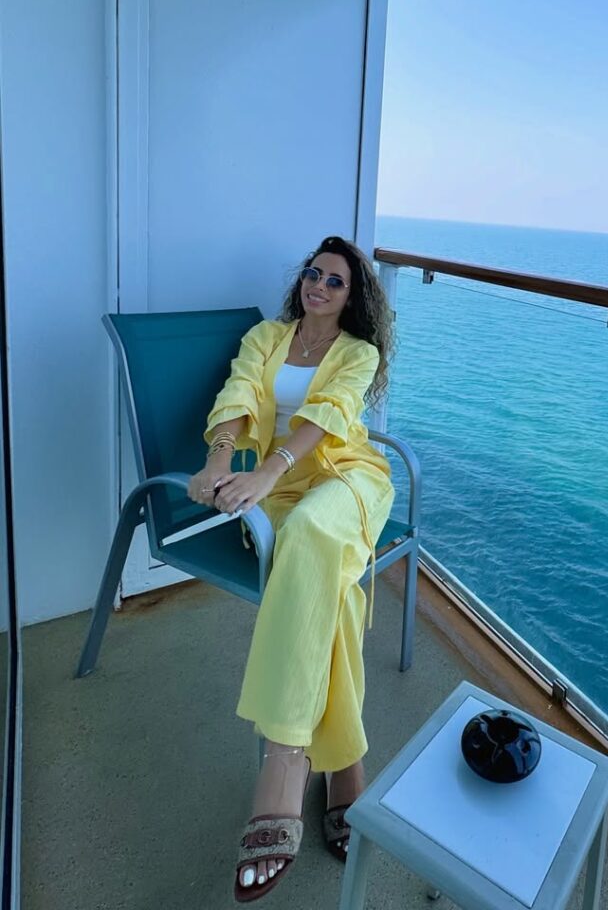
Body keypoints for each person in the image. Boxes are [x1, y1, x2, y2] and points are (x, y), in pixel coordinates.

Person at [186, 235, 395, 903]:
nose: (320, 286)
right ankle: (346, 762)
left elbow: (326, 415)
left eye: (335, 281)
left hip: (347, 480)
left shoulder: (358, 353)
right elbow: (240, 392)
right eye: (313, 274)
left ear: (352, 297)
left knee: (311, 535)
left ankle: (283, 766)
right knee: (326, 587)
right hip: (272, 493)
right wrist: (222, 465)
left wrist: (267, 468)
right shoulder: (268, 336)